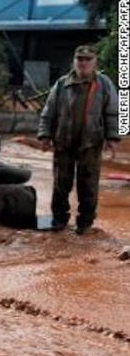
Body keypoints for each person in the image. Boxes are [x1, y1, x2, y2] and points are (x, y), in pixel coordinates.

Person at [37, 45, 120, 234]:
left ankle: (85, 222)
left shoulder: (104, 84)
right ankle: (59, 219)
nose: (83, 63)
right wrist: (44, 136)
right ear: (74, 61)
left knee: (88, 185)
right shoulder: (61, 84)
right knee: (61, 183)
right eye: (79, 59)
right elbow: (48, 112)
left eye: (87, 60)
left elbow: (112, 113)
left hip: (90, 143)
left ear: (94, 62)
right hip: (63, 142)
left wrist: (112, 138)